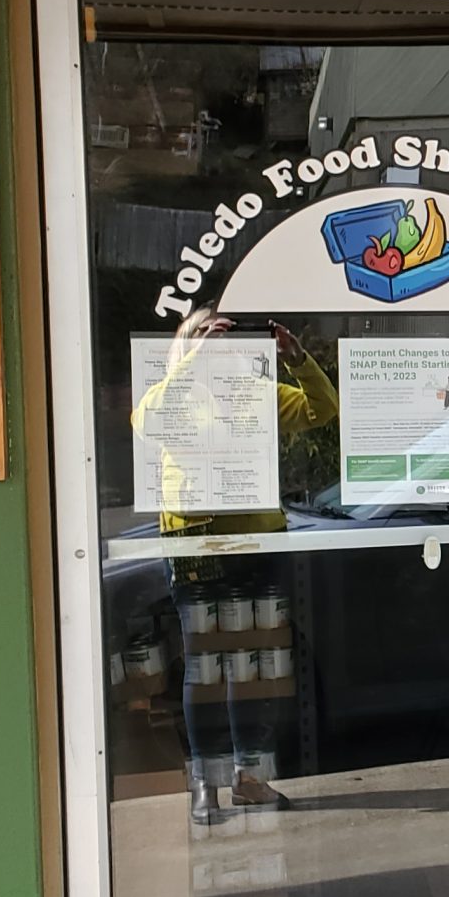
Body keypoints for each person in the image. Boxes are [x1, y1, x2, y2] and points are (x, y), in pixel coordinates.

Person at [133, 309, 337, 816]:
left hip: (259, 544)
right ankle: (204, 782)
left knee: (256, 670)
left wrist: (295, 357)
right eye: (205, 335)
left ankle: (250, 778)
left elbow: (322, 409)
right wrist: (192, 361)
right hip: (197, 545)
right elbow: (146, 422)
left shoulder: (253, 392)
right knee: (205, 669)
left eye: (222, 337)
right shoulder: (175, 393)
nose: (218, 345)